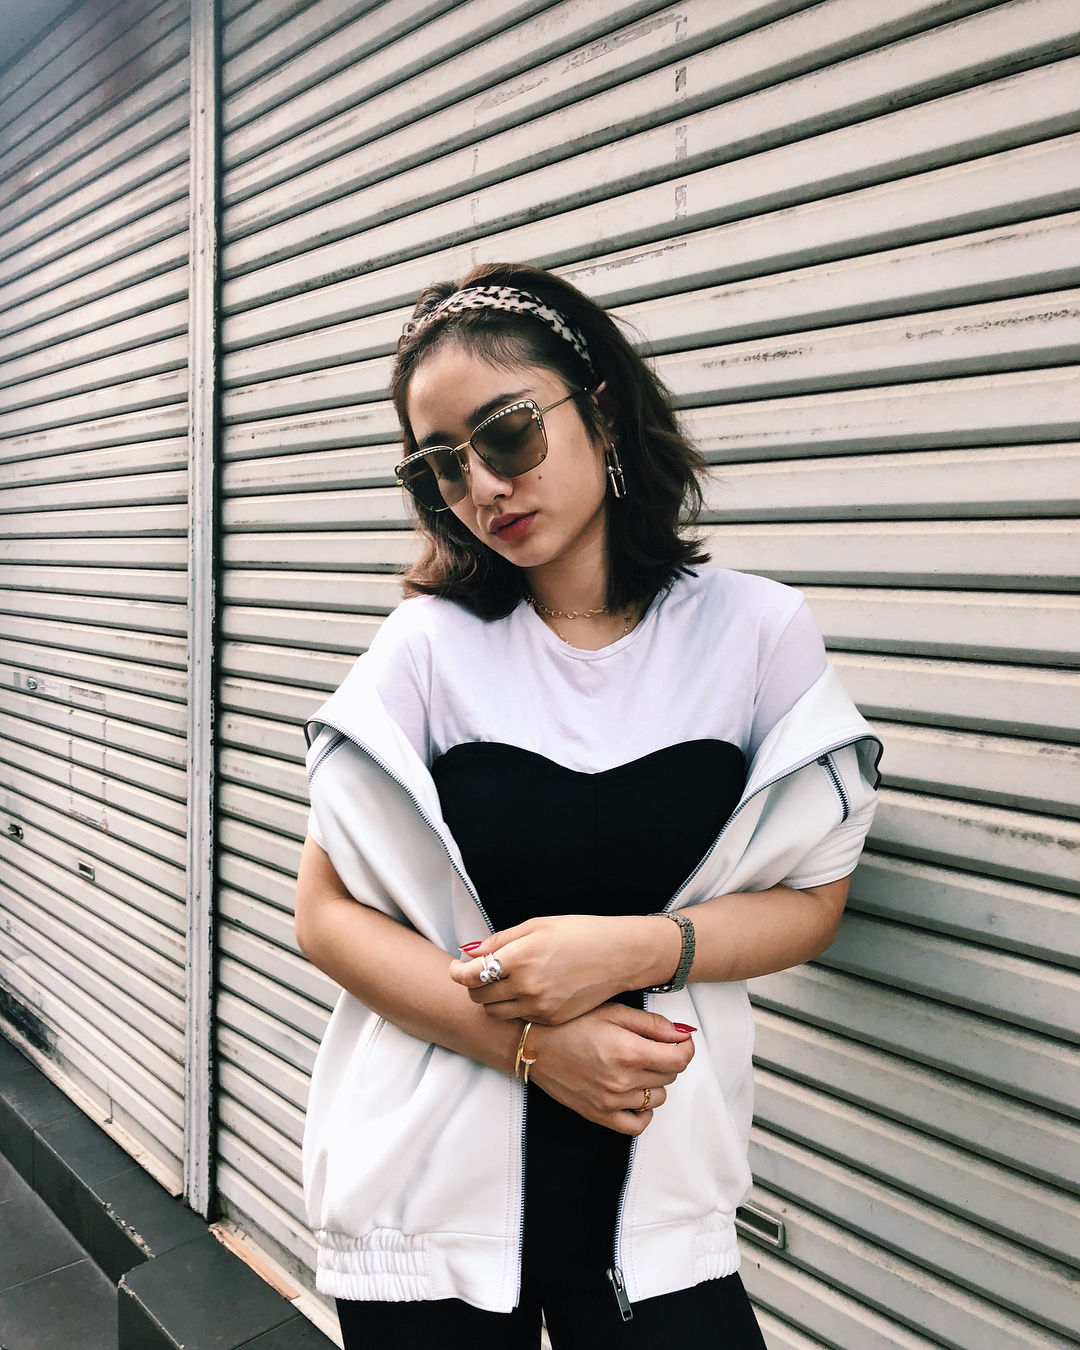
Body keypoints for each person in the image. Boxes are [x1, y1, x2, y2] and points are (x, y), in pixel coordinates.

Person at [294, 263, 880, 1349]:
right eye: (441, 465)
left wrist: (637, 949)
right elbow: (323, 916)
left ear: (600, 410)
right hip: (429, 1201)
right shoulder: (425, 649)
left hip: (664, 1194)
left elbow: (814, 902)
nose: (483, 486)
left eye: (506, 434)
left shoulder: (756, 634)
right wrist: (530, 1047)